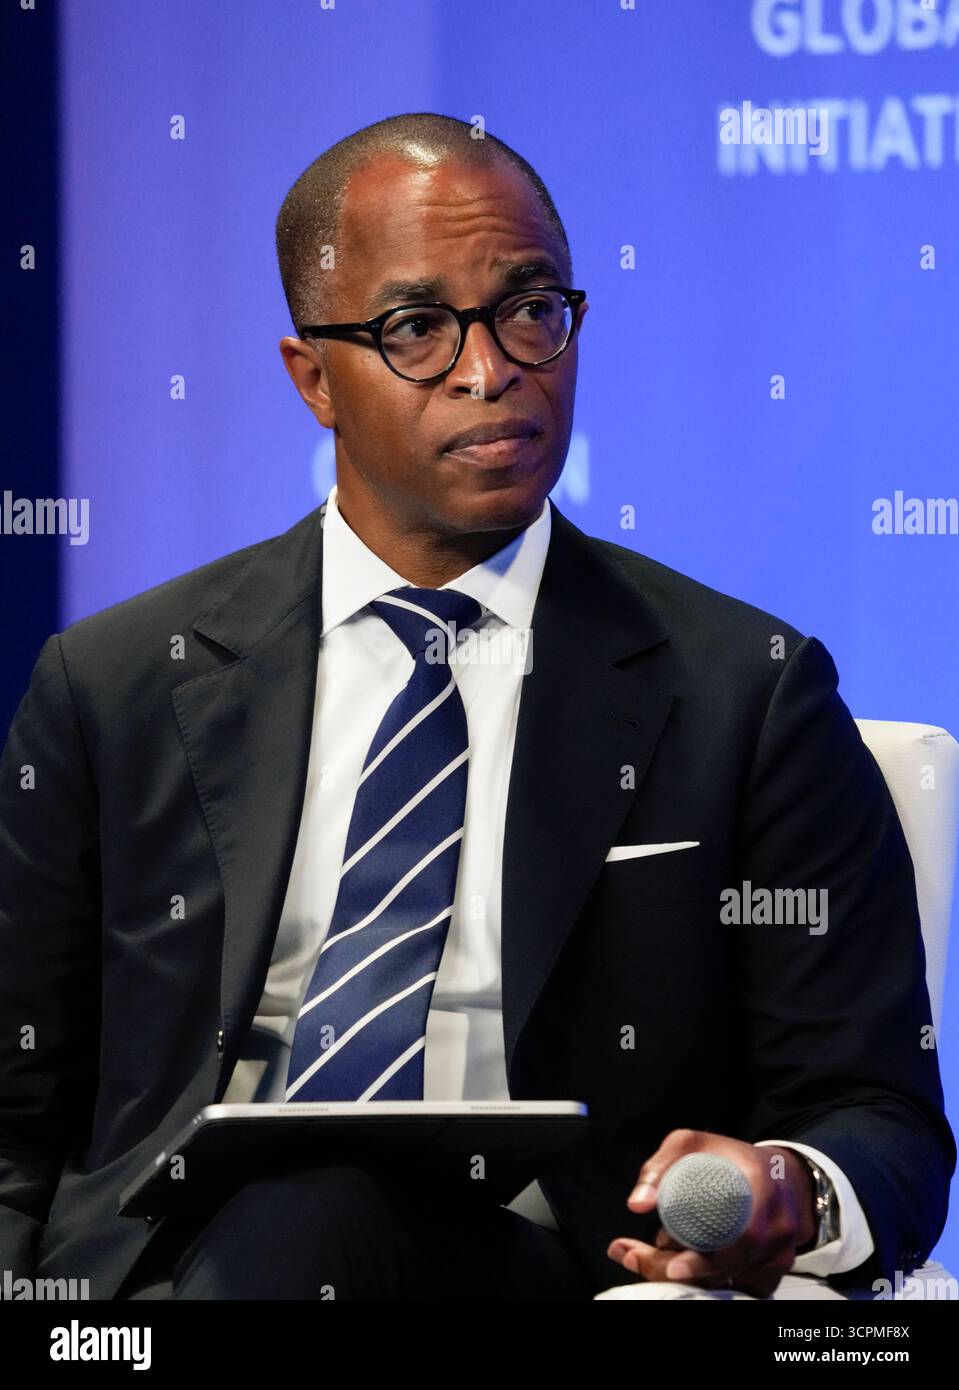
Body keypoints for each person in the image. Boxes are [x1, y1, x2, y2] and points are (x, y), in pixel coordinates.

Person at [0, 113, 953, 1302]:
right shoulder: (116, 684)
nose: (490, 367)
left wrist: (781, 1191)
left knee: (320, 1214)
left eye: (531, 309)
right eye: (414, 329)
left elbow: (876, 1115)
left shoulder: (742, 689)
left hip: (542, 1272)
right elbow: (17, 1112)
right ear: (312, 380)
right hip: (150, 1283)